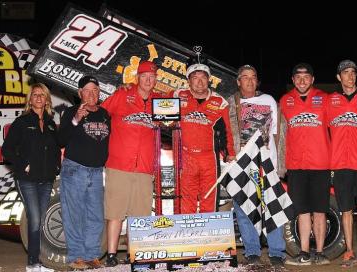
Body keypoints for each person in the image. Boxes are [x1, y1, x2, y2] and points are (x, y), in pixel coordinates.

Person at [101, 61, 163, 267]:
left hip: (145, 167)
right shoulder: (122, 95)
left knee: (140, 214)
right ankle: (111, 254)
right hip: (119, 164)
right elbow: (101, 114)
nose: (148, 80)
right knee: (115, 212)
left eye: (152, 77)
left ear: (156, 80)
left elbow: (171, 120)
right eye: (145, 76)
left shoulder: (159, 101)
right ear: (137, 78)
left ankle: (134, 254)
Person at [227, 65, 285, 267]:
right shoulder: (230, 103)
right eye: (245, 77)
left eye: (253, 77)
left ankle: (277, 251)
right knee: (244, 208)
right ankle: (252, 251)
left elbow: (278, 133)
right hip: (242, 165)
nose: (250, 81)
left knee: (272, 206)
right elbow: (223, 134)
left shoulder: (269, 100)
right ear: (238, 81)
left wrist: (279, 163)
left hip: (267, 163)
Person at [2, 83, 61, 272]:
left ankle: (38, 262)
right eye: (35, 95)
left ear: (47, 99)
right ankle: (32, 264)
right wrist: (23, 165)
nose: (38, 98)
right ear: (30, 99)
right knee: (34, 219)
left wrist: (56, 167)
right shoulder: (22, 122)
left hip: (46, 180)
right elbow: (7, 150)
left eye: (42, 95)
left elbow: (54, 150)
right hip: (26, 180)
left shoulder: (51, 124)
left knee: (41, 221)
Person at [327, 60, 357, 267]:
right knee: (346, 209)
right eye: (345, 73)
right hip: (339, 164)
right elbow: (324, 132)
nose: (350, 76)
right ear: (339, 77)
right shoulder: (331, 101)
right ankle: (349, 251)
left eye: (353, 73)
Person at [280, 63, 331, 266]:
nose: (302, 80)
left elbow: (336, 130)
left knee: (319, 210)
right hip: (296, 164)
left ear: (312, 79)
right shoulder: (285, 101)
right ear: (293, 80)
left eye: (306, 76)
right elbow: (279, 135)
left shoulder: (324, 99)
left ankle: (319, 252)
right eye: (298, 77)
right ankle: (303, 252)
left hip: (321, 163)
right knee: (301, 210)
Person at [58, 76, 110, 270]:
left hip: (97, 172)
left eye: (95, 90)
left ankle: (91, 256)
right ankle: (76, 256)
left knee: (96, 215)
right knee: (74, 215)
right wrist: (76, 120)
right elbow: (60, 140)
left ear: (99, 92)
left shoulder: (105, 114)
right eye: (87, 90)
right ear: (80, 93)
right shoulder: (71, 112)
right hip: (75, 169)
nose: (91, 94)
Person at [174, 57, 235, 214]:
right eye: (195, 77)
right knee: (187, 200)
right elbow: (154, 100)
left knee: (209, 198)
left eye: (203, 77)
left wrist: (230, 154)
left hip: (209, 158)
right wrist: (130, 87)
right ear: (188, 80)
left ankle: (208, 238)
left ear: (209, 80)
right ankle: (188, 236)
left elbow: (227, 131)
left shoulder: (220, 102)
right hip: (186, 156)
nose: (199, 82)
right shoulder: (177, 95)